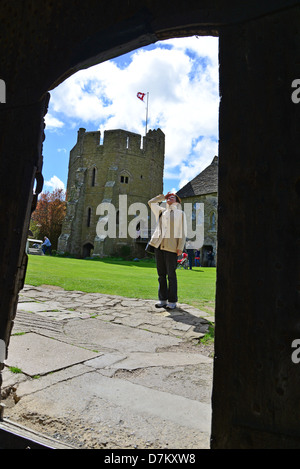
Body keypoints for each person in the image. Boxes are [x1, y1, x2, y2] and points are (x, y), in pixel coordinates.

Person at [148, 192, 186, 310]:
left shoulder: (181, 214)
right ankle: (162, 300)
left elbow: (183, 232)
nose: (170, 197)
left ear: (177, 201)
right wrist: (161, 198)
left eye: (173, 197)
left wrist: (180, 246)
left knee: (171, 275)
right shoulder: (161, 211)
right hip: (158, 246)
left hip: (172, 247)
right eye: (169, 196)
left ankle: (172, 301)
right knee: (161, 275)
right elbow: (150, 203)